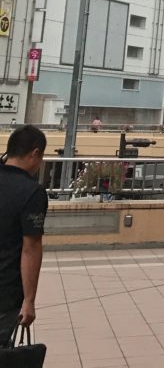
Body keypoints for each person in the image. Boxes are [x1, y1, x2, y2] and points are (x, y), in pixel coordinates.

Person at [0, 125, 48, 346]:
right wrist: (29, 300)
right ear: (35, 153)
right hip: (6, 291)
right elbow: (31, 248)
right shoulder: (32, 192)